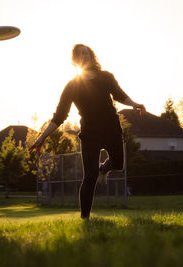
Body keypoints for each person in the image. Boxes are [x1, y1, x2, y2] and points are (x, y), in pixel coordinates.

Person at [29, 44, 146, 219]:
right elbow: (60, 116)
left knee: (118, 165)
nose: (84, 57)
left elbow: (120, 95)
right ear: (75, 60)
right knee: (89, 176)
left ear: (92, 56)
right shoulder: (72, 85)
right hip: (90, 133)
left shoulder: (106, 77)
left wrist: (135, 104)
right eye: (80, 55)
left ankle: (103, 169)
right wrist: (41, 138)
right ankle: (85, 219)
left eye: (86, 53)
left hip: (111, 128)